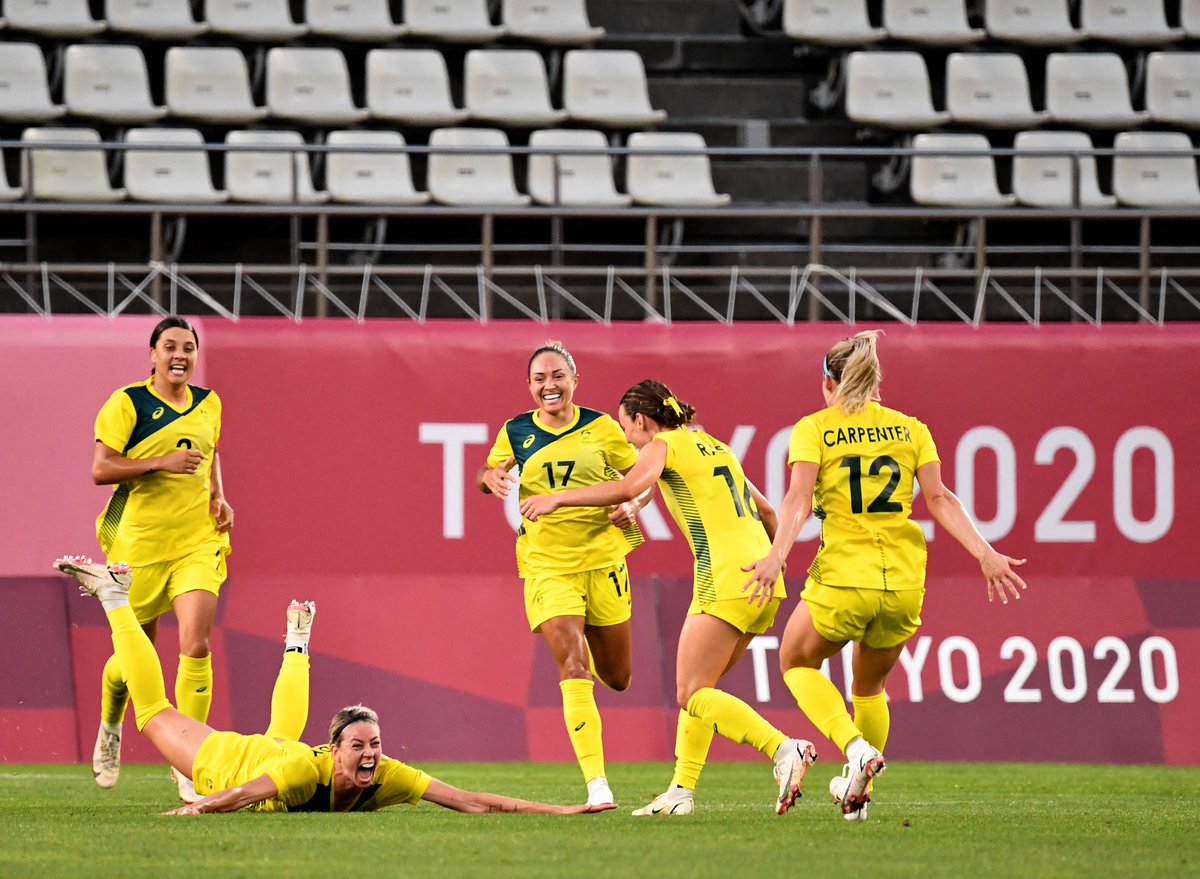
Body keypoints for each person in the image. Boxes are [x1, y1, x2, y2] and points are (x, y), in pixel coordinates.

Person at [53, 556, 615, 816]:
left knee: (281, 733)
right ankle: (115, 597)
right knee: (152, 710)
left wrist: (563, 812)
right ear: (335, 749)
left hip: (279, 754)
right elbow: (238, 796)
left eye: (373, 743)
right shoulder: (306, 769)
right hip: (228, 762)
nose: (372, 753)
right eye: (361, 745)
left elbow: (470, 802)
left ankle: (298, 640)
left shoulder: (384, 773)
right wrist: (196, 810)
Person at [741, 330, 1028, 821]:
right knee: (869, 687)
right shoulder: (910, 428)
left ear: (827, 382)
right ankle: (857, 796)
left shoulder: (815, 427)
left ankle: (854, 751)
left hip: (845, 576)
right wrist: (985, 553)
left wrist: (776, 555)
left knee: (794, 661)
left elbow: (798, 499)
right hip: (902, 579)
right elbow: (940, 499)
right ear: (876, 381)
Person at [520, 380, 817, 817]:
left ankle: (783, 748)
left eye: (627, 430)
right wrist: (774, 562)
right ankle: (680, 791)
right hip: (763, 577)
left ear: (642, 420)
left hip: (723, 575)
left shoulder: (660, 446)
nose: (627, 440)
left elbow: (626, 488)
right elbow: (769, 512)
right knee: (702, 687)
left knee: (691, 691)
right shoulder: (715, 445)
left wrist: (557, 498)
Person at [476, 341, 646, 808]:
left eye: (557, 376)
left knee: (618, 676)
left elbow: (644, 478)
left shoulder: (602, 427)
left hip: (604, 560)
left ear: (575, 378)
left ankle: (588, 651)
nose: (548, 386)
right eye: (539, 379)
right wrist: (488, 478)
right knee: (573, 665)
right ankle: (598, 786)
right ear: (529, 387)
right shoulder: (515, 432)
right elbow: (487, 473)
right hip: (548, 565)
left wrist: (632, 504)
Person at [83, 316, 234, 802]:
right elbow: (101, 469)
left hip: (196, 541)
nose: (180, 355)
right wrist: (159, 463)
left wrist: (218, 496)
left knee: (196, 645)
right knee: (136, 660)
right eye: (169, 346)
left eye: (188, 348)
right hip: (139, 546)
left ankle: (190, 761)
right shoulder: (127, 402)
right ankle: (110, 726)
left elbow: (210, 455)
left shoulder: (209, 403)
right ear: (152, 354)